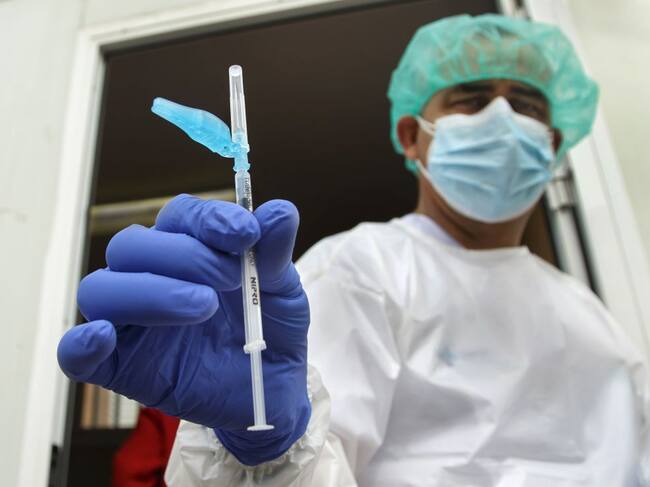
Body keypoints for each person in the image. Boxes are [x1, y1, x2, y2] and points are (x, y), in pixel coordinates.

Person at [57, 14, 650, 486]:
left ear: (552, 144)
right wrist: (263, 448)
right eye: (472, 99)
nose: (504, 120)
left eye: (527, 106)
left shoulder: (588, 312)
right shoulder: (366, 267)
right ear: (413, 136)